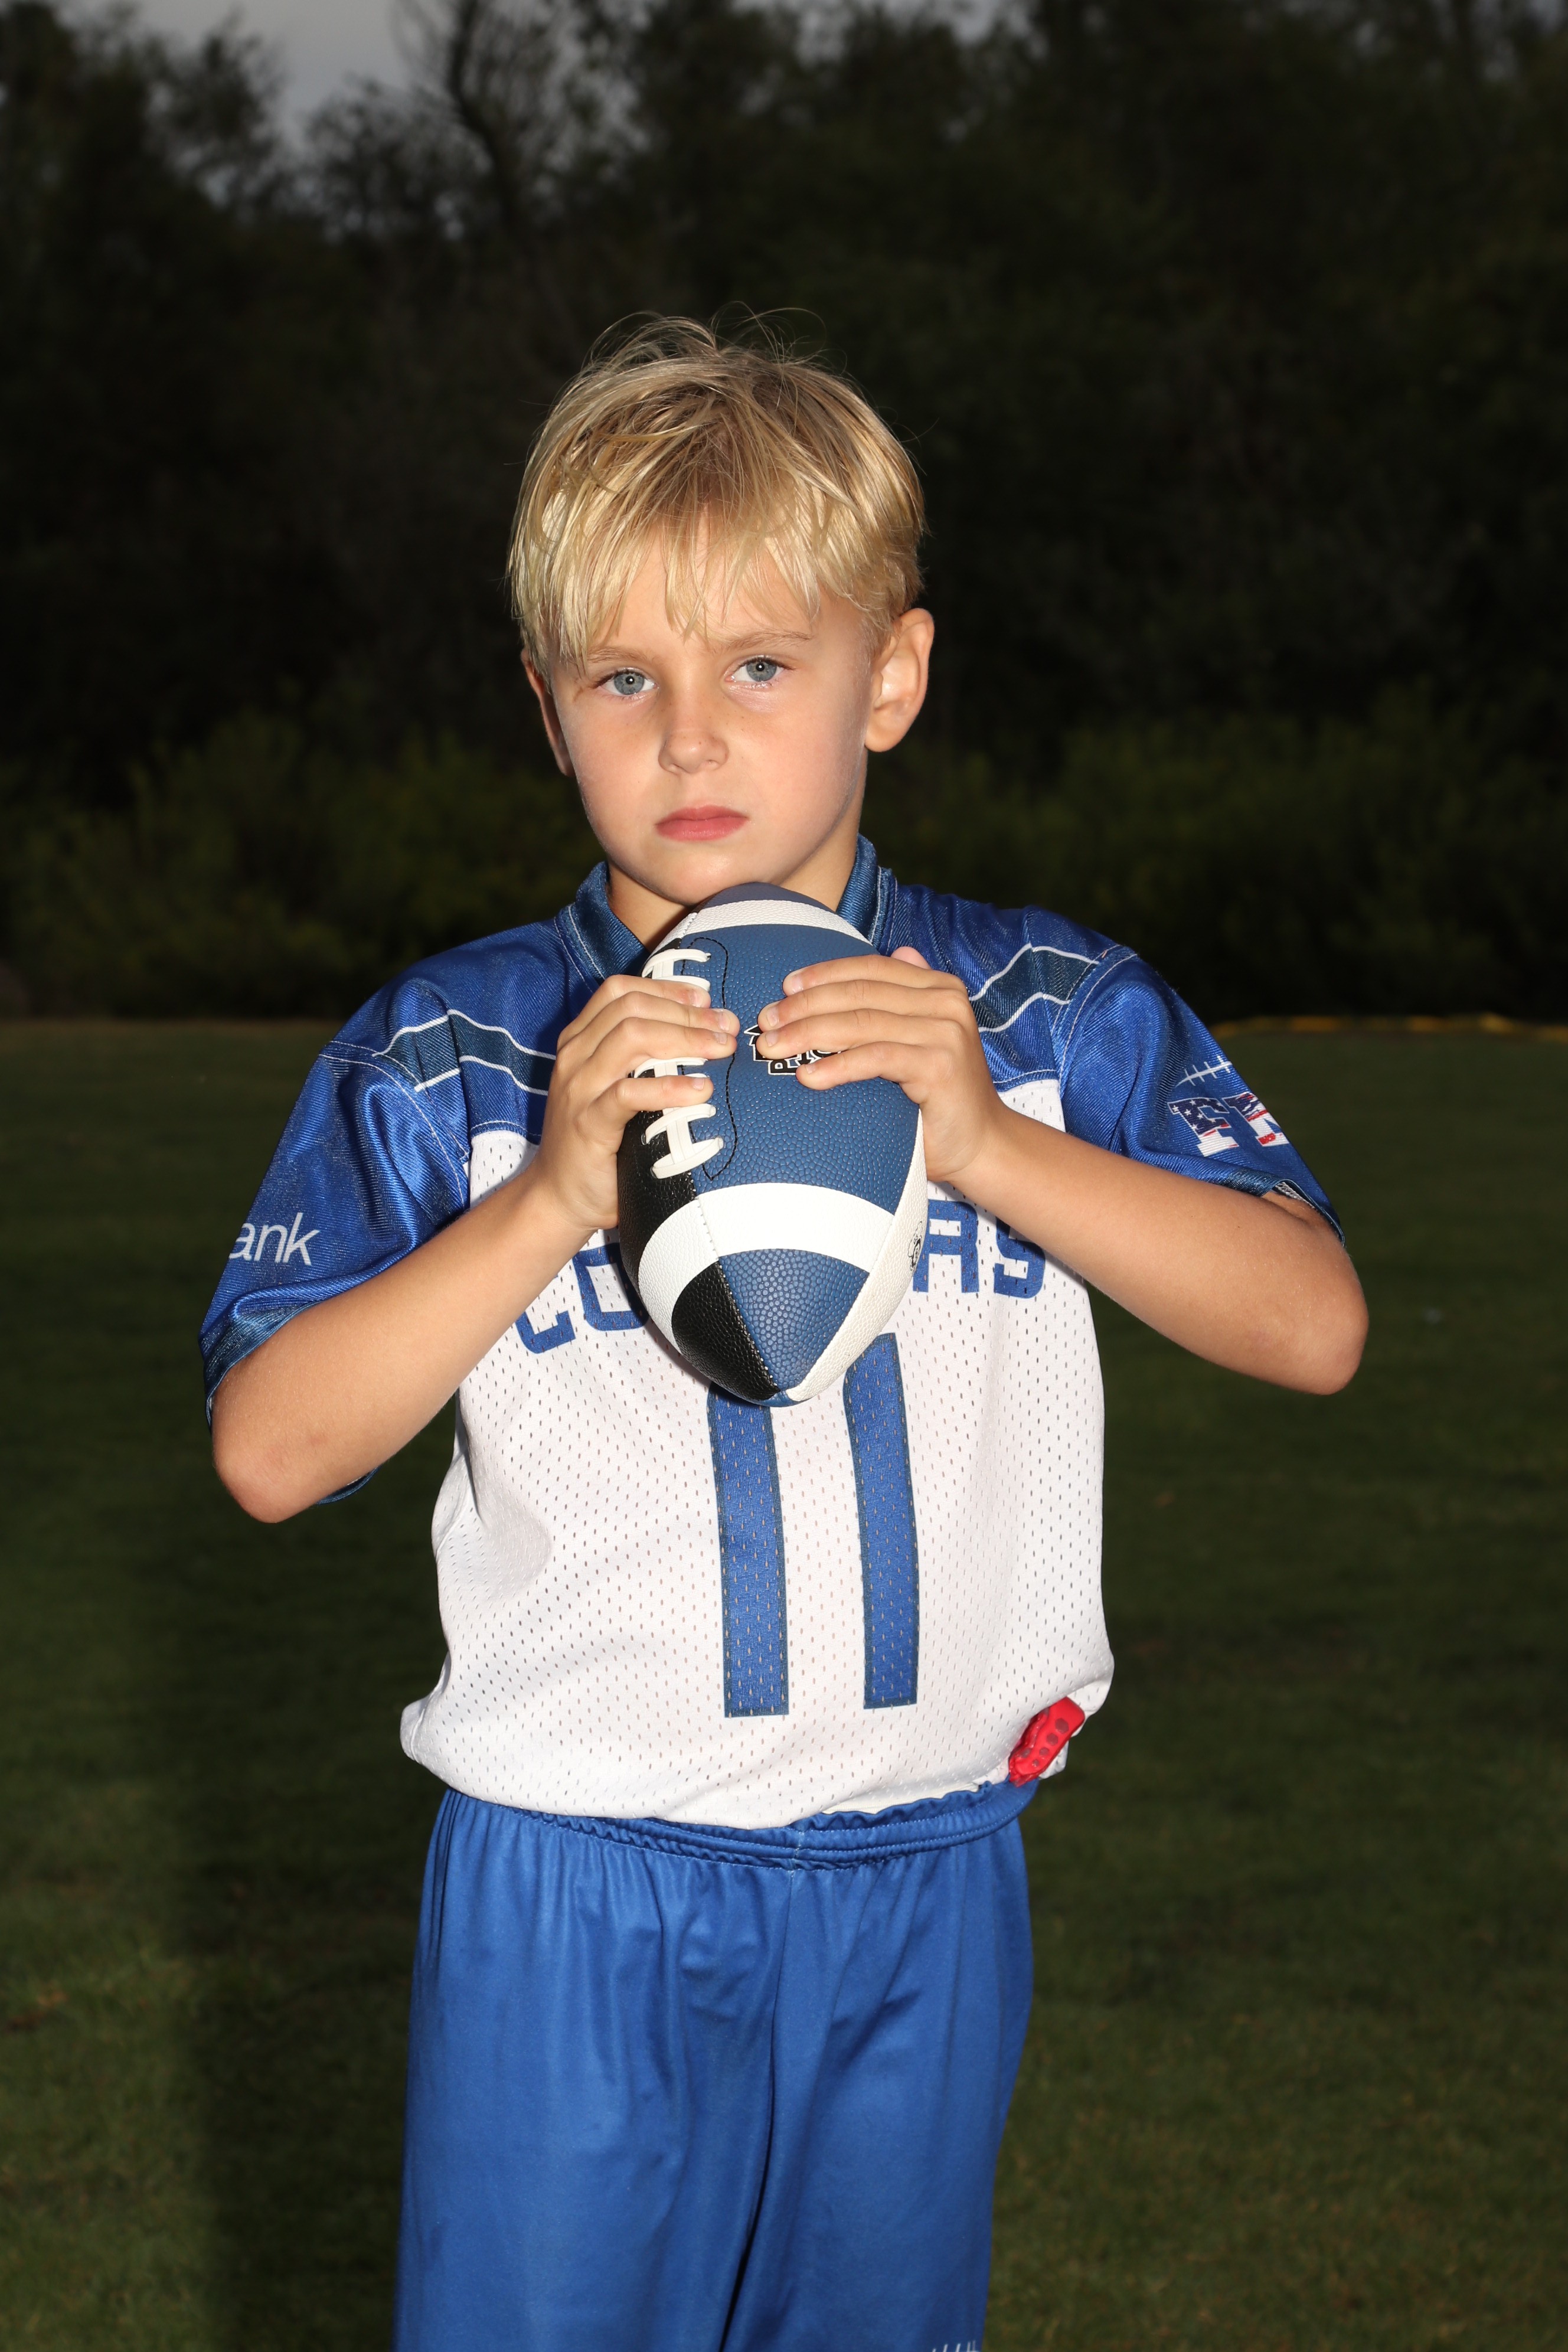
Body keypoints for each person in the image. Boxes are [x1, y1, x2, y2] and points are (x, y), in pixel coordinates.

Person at [202, 318, 1367, 2352]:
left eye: (759, 666)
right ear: (547, 708)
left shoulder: (1034, 1010)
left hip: (926, 1870)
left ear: (888, 677)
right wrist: (548, 1199)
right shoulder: (464, 1048)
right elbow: (271, 1452)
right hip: (579, 1881)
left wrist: (989, 1143)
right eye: (622, 679)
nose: (690, 740)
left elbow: (1315, 1325)